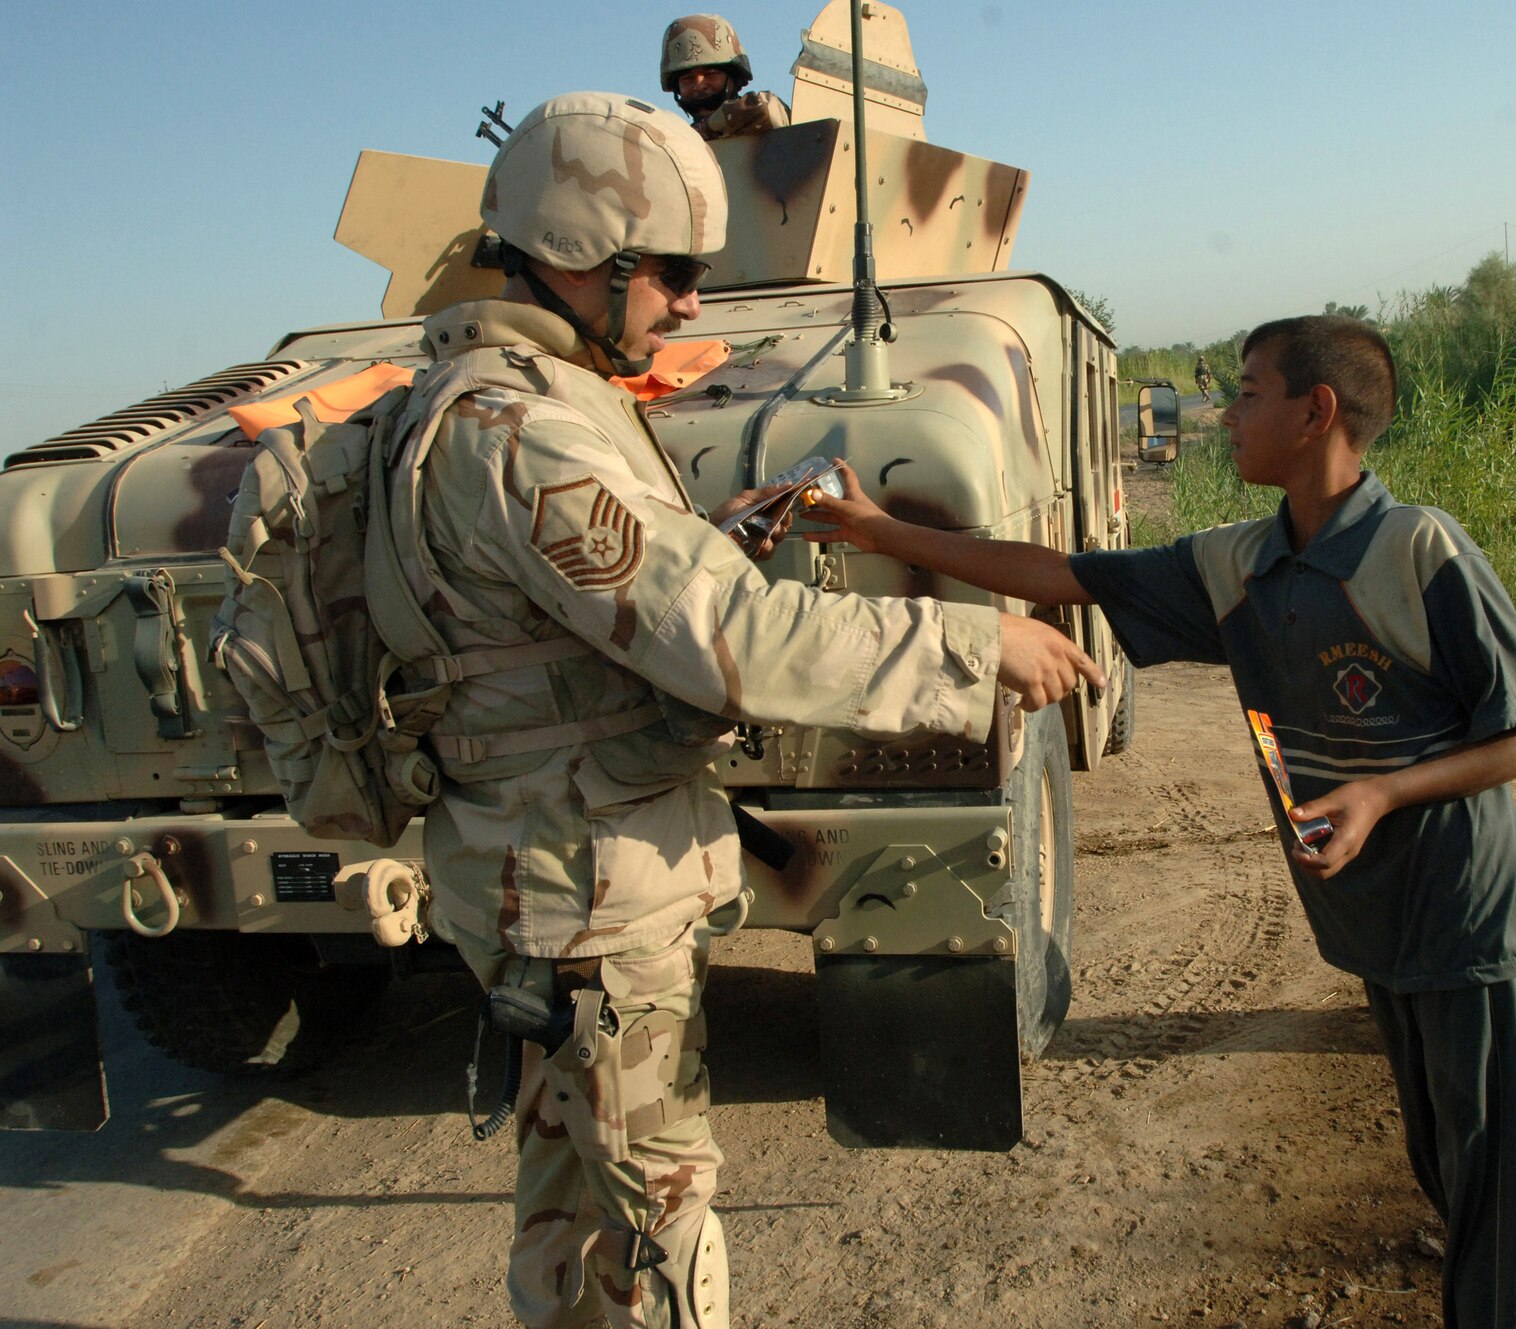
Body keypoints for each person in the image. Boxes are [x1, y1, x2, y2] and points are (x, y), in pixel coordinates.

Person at [399, 92, 1099, 1329]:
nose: (690, 307)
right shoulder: (528, 434)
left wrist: (703, 546)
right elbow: (733, 641)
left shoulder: (473, 395)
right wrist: (974, 640)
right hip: (590, 896)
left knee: (566, 1195)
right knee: (662, 1221)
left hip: (536, 874)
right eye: (667, 273)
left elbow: (599, 609)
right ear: (576, 263)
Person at [806, 313, 1516, 1327]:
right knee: (1451, 1172)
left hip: (1470, 919)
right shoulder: (1241, 563)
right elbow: (1060, 575)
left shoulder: (1415, 549)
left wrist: (1383, 793)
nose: (1224, 413)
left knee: (1494, 1198)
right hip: (1379, 927)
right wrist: (876, 532)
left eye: (1248, 392)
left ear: (1316, 414)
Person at [662, 14, 792, 141]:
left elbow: (767, 109)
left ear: (733, 77)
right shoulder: (678, 145)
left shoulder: (758, 117)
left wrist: (699, 133)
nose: (699, 85)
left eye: (710, 74)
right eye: (687, 79)